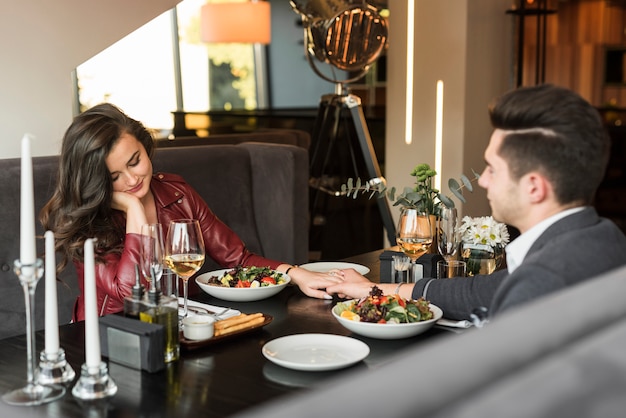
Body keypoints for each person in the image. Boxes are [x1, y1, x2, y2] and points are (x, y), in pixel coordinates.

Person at [326, 84, 626, 321]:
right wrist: (373, 289)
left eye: (493, 169)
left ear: (534, 187)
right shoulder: (605, 238)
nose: (482, 180)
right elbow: (483, 291)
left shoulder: (543, 282)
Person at [40, 103, 341, 321]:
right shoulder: (89, 220)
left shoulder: (176, 192)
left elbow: (239, 259)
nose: (132, 180)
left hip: (181, 324)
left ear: (145, 147)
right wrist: (133, 209)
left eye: (134, 161)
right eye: (114, 176)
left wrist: (297, 273)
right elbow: (130, 293)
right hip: (111, 336)